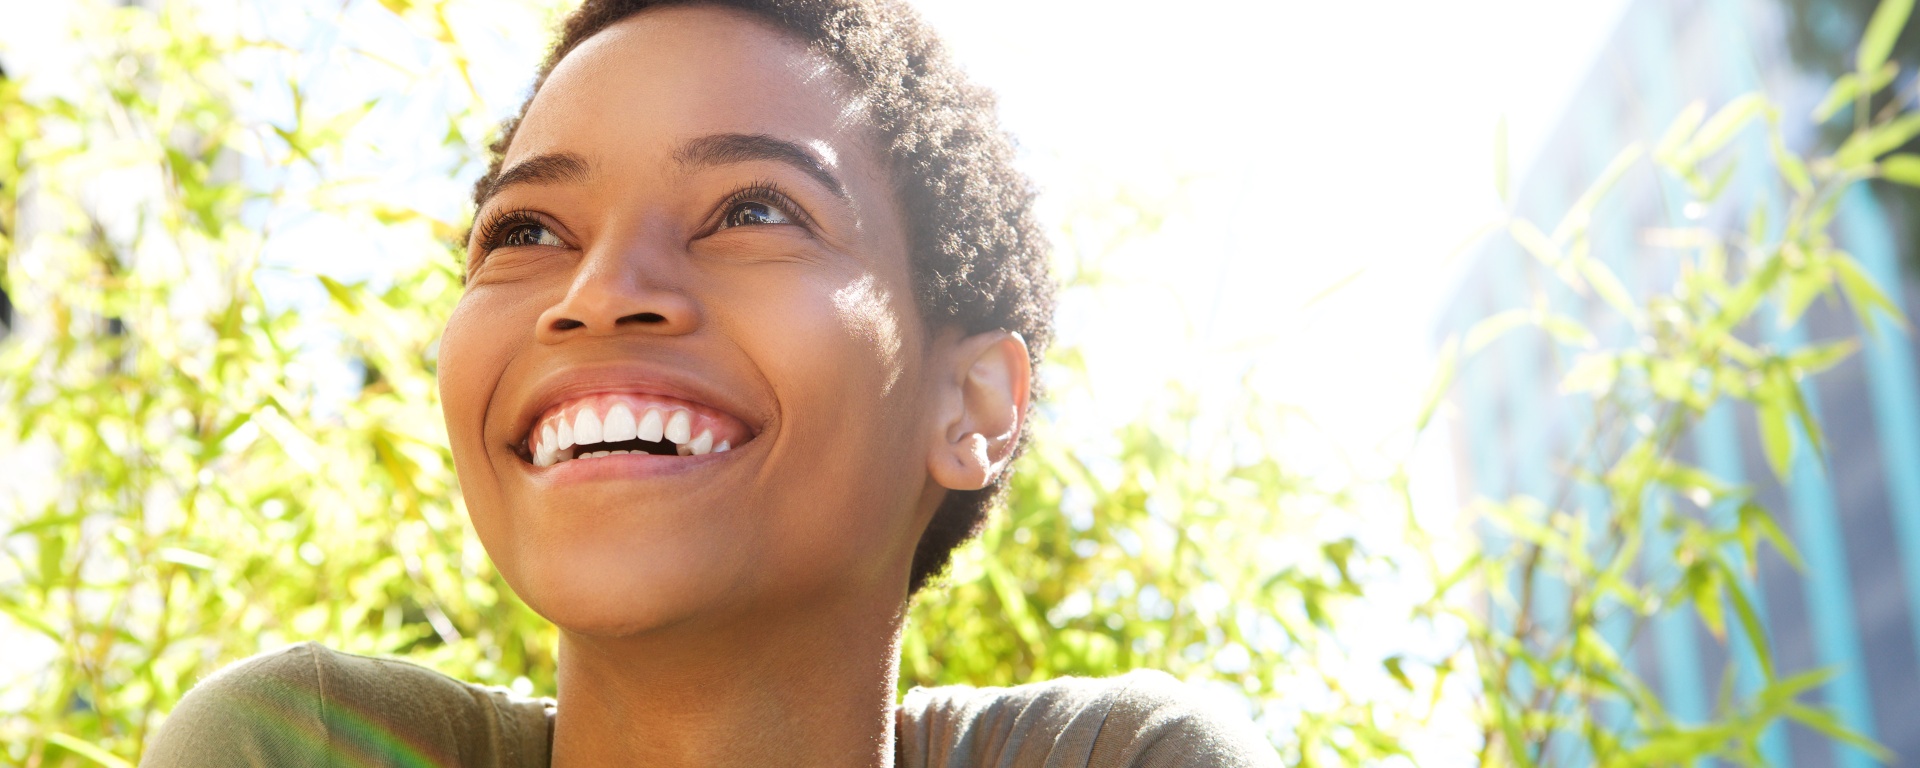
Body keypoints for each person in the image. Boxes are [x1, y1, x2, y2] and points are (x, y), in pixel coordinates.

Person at [141, 1, 1278, 765]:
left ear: (972, 404)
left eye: (753, 211)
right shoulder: (299, 746)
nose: (596, 292)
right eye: (527, 230)